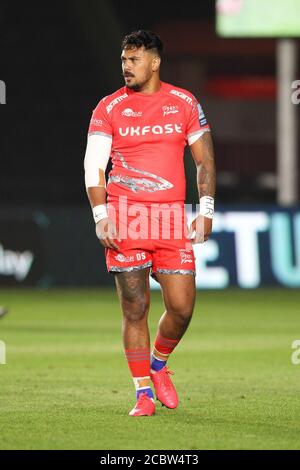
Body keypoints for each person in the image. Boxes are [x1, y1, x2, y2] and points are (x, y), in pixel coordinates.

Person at [84, 30, 216, 417]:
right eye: (124, 59)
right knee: (135, 306)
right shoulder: (108, 107)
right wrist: (101, 216)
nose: (127, 66)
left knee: (182, 308)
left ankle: (159, 365)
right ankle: (142, 392)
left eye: (134, 59)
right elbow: (93, 166)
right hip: (127, 216)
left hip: (170, 218)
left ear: (155, 62)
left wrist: (205, 209)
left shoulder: (183, 102)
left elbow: (204, 160)